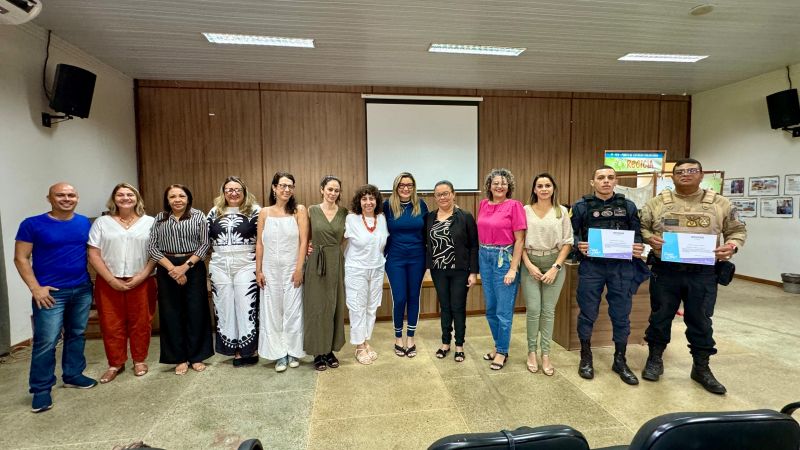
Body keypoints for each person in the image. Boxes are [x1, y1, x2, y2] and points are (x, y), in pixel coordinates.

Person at [640, 158, 746, 394]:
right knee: (660, 316)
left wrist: (731, 246)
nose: (685, 174)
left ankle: (701, 367)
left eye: (691, 171)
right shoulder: (657, 203)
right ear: (673, 176)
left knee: (701, 320)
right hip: (666, 270)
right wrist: (648, 238)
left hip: (703, 273)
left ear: (701, 175)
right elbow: (642, 226)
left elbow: (737, 230)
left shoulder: (720, 203)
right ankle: (655, 359)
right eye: (680, 172)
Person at [14, 182, 97, 413]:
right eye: (60, 195)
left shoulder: (84, 223)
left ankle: (73, 374)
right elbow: (21, 258)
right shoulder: (32, 224)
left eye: (71, 195)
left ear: (77, 198)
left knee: (76, 334)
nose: (66, 199)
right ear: (49, 198)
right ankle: (41, 390)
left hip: (81, 288)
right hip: (50, 293)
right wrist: (35, 288)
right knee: (47, 341)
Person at [570, 165, 645, 385]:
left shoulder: (628, 206)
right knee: (587, 313)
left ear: (616, 182)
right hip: (592, 267)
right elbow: (570, 234)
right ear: (592, 182)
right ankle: (586, 357)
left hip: (621, 268)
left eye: (610, 177)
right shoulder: (581, 206)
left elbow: (637, 234)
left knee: (621, 314)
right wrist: (578, 245)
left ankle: (620, 360)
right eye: (601, 177)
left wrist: (638, 246)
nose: (606, 181)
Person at [88, 183, 157, 383]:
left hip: (142, 279)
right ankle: (115, 363)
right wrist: (111, 279)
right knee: (111, 324)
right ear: (114, 199)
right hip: (108, 281)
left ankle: (139, 360)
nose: (125, 198)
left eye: (130, 194)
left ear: (137, 199)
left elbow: (156, 252)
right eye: (120, 195)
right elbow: (93, 253)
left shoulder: (150, 222)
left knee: (141, 323)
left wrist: (142, 275)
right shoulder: (102, 222)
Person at [148, 184, 213, 375]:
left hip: (193, 265)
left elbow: (205, 244)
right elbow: (152, 247)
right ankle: (179, 358)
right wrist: (172, 269)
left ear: (188, 198)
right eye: (172, 196)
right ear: (167, 200)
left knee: (196, 311)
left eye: (181, 196)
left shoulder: (198, 216)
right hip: (167, 267)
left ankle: (197, 356)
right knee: (171, 313)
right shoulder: (160, 218)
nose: (177, 200)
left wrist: (185, 267)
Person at [520, 174, 573, 376]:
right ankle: (531, 352)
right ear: (534, 189)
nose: (544, 189)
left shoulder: (561, 212)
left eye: (547, 185)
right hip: (530, 262)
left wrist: (555, 267)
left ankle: (546, 354)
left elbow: (568, 242)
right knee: (534, 309)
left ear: (553, 188)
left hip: (554, 263)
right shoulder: (525, 210)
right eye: (540, 186)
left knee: (548, 311)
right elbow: (519, 240)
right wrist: (528, 265)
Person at [257, 172, 309, 372]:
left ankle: (293, 351)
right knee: (273, 312)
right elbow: (259, 244)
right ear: (274, 188)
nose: (287, 189)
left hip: (291, 268)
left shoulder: (299, 210)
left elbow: (303, 242)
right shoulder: (264, 212)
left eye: (290, 186)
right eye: (282, 185)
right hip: (270, 270)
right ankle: (279, 353)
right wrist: (258, 271)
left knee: (293, 311)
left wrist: (299, 268)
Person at [207, 176, 260, 367]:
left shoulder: (255, 211)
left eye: (237, 189)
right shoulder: (214, 212)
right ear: (223, 192)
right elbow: (205, 240)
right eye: (229, 189)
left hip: (246, 263)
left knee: (247, 307)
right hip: (219, 264)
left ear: (244, 192)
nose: (233, 193)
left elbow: (264, 239)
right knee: (224, 308)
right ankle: (233, 349)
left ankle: (250, 349)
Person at [477, 168, 526, 370]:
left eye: (503, 183)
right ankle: (499, 346)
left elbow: (520, 240)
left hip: (504, 258)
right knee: (490, 309)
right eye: (495, 183)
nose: (499, 186)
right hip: (484, 256)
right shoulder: (483, 204)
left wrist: (513, 269)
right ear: (489, 186)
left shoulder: (514, 206)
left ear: (509, 187)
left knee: (503, 310)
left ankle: (502, 352)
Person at [424, 180, 479, 363]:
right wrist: (427, 267)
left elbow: (474, 246)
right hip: (438, 271)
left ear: (453, 194)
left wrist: (473, 272)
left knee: (458, 307)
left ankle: (459, 346)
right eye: (439, 194)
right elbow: (426, 244)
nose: (443, 197)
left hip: (460, 271)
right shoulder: (429, 217)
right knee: (445, 307)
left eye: (446, 193)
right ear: (435, 197)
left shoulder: (465, 216)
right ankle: (445, 343)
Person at [303, 175, 349, 371]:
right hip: (316, 262)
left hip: (335, 261)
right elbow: (305, 236)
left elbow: (346, 237)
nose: (333, 193)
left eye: (336, 190)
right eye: (329, 189)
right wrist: (308, 247)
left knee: (334, 305)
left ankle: (329, 350)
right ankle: (317, 352)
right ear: (322, 189)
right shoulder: (311, 210)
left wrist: (335, 247)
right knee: (316, 306)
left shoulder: (345, 213)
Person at [383, 172, 429, 358]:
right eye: (402, 185)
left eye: (409, 185)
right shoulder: (387, 206)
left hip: (417, 258)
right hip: (395, 258)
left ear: (414, 187)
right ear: (396, 187)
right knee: (400, 298)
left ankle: (410, 337)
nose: (405, 188)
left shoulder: (421, 205)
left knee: (413, 296)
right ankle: (398, 338)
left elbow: (428, 231)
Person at [344, 184, 389, 365]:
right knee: (357, 307)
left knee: (371, 307)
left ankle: (365, 341)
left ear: (377, 201)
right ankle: (359, 346)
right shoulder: (351, 219)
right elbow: (335, 237)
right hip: (356, 269)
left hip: (377, 268)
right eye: (364, 199)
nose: (368, 202)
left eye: (372, 198)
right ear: (359, 201)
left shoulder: (382, 218)